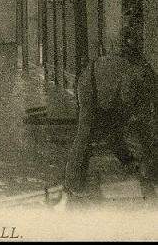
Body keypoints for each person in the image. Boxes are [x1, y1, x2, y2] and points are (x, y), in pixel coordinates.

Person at [64, 13, 157, 196]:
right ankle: (72, 182)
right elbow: (127, 100)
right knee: (85, 133)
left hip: (104, 84)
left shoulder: (144, 75)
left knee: (116, 127)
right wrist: (138, 118)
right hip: (89, 85)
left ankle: (129, 161)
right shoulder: (135, 77)